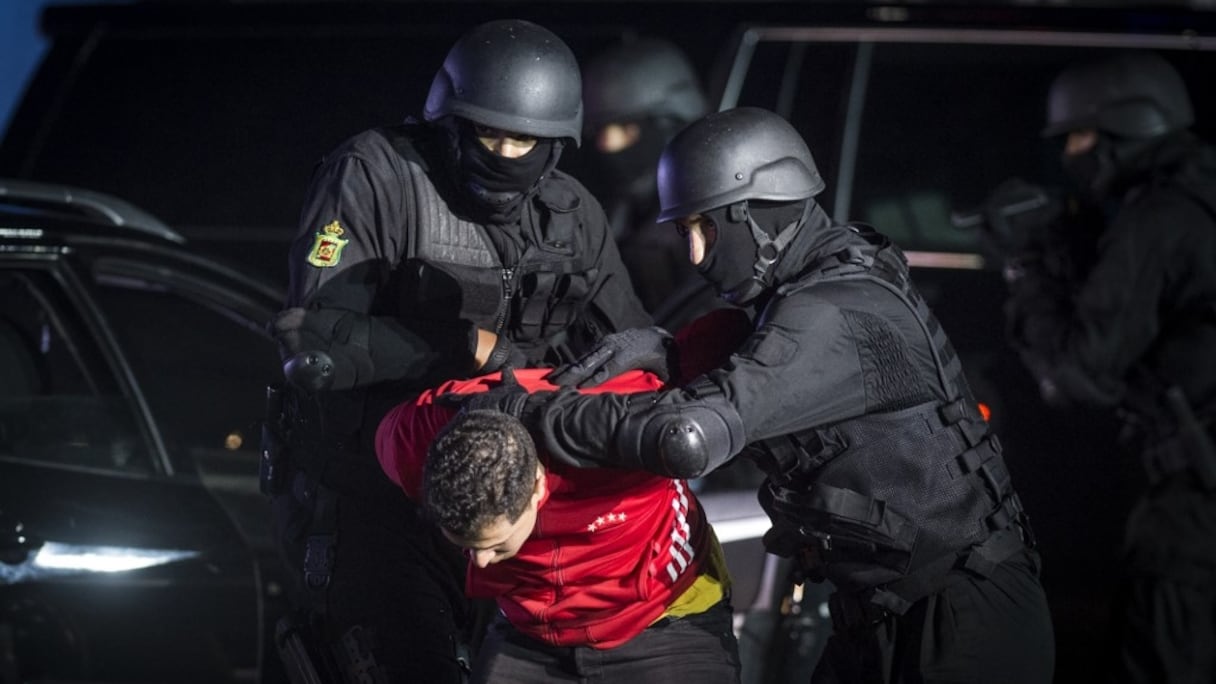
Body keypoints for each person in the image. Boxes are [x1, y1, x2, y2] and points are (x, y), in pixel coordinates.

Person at [453, 106, 1056, 683]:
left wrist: (532, 417)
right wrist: (666, 352)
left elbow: (685, 439)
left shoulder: (832, 311)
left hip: (961, 620)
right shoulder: (817, 285)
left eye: (704, 228)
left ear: (756, 213)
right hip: (884, 613)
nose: (695, 255)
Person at [263, 19, 651, 684]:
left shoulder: (570, 214)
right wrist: (465, 349)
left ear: (554, 145)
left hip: (514, 515)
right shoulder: (375, 177)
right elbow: (314, 344)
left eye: (521, 139)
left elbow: (633, 345)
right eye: (486, 133)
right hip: (376, 503)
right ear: (449, 122)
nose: (502, 153)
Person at [998, 51, 1216, 684]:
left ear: (1124, 131)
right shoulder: (1202, 194)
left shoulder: (1161, 217)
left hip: (1193, 510)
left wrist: (1029, 266)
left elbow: (1080, 369)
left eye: (1079, 135)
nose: (1070, 153)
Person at [374, 364, 744, 684]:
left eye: (496, 545)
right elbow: (390, 431)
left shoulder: (630, 433)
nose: (481, 562)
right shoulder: (417, 440)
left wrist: (666, 349)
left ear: (537, 487)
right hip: (529, 638)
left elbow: (723, 349)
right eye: (469, 546)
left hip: (662, 621)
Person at [580, 37, 718, 325]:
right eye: (600, 132)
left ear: (672, 123)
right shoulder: (618, 211)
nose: (609, 146)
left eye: (626, 129)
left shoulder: (716, 218)